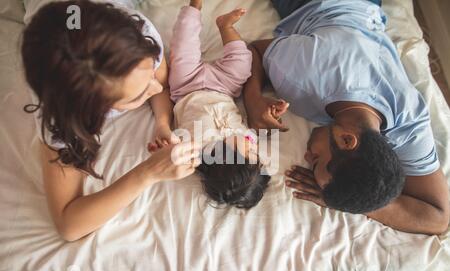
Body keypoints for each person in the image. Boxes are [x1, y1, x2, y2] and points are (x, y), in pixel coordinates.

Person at [243, 0, 449, 234]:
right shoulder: (303, 76)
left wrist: (350, 201)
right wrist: (253, 101)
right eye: (316, 160)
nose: (307, 156)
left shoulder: (408, 122)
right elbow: (255, 51)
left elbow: (438, 218)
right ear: (347, 140)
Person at [22, 0, 199, 242]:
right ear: (93, 111)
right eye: (137, 96)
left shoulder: (139, 36)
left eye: (149, 73)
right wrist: (149, 172)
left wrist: (162, 123)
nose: (157, 86)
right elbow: (69, 224)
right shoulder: (59, 117)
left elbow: (161, 86)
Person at [150, 0, 270, 208]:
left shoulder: (194, 150)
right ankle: (226, 27)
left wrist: (165, 145)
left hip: (186, 86)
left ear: (227, 157)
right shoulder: (249, 139)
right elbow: (257, 125)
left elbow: (171, 150)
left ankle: (193, 9)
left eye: (250, 154)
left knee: (183, 46)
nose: (254, 148)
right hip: (225, 87)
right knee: (243, 63)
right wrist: (272, 111)